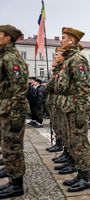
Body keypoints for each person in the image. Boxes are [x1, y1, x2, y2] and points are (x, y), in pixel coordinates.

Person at [57, 27, 90, 192]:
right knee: (74, 142)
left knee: (80, 143)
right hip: (70, 106)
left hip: (77, 107)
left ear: (72, 40)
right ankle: (80, 173)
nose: (61, 40)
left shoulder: (77, 59)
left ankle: (85, 178)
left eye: (63, 37)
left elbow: (83, 87)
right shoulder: (69, 60)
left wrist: (80, 111)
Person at [0, 24, 29, 198]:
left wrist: (17, 114)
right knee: (7, 145)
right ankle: (12, 179)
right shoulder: (4, 55)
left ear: (8, 37)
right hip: (5, 108)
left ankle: (17, 184)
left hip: (12, 110)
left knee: (13, 146)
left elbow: (20, 87)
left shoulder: (11, 57)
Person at [45, 47, 65, 153]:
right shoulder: (56, 71)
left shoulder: (62, 70)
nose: (54, 57)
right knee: (55, 123)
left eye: (57, 55)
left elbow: (50, 87)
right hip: (54, 101)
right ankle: (58, 142)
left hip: (59, 102)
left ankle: (61, 145)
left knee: (61, 125)